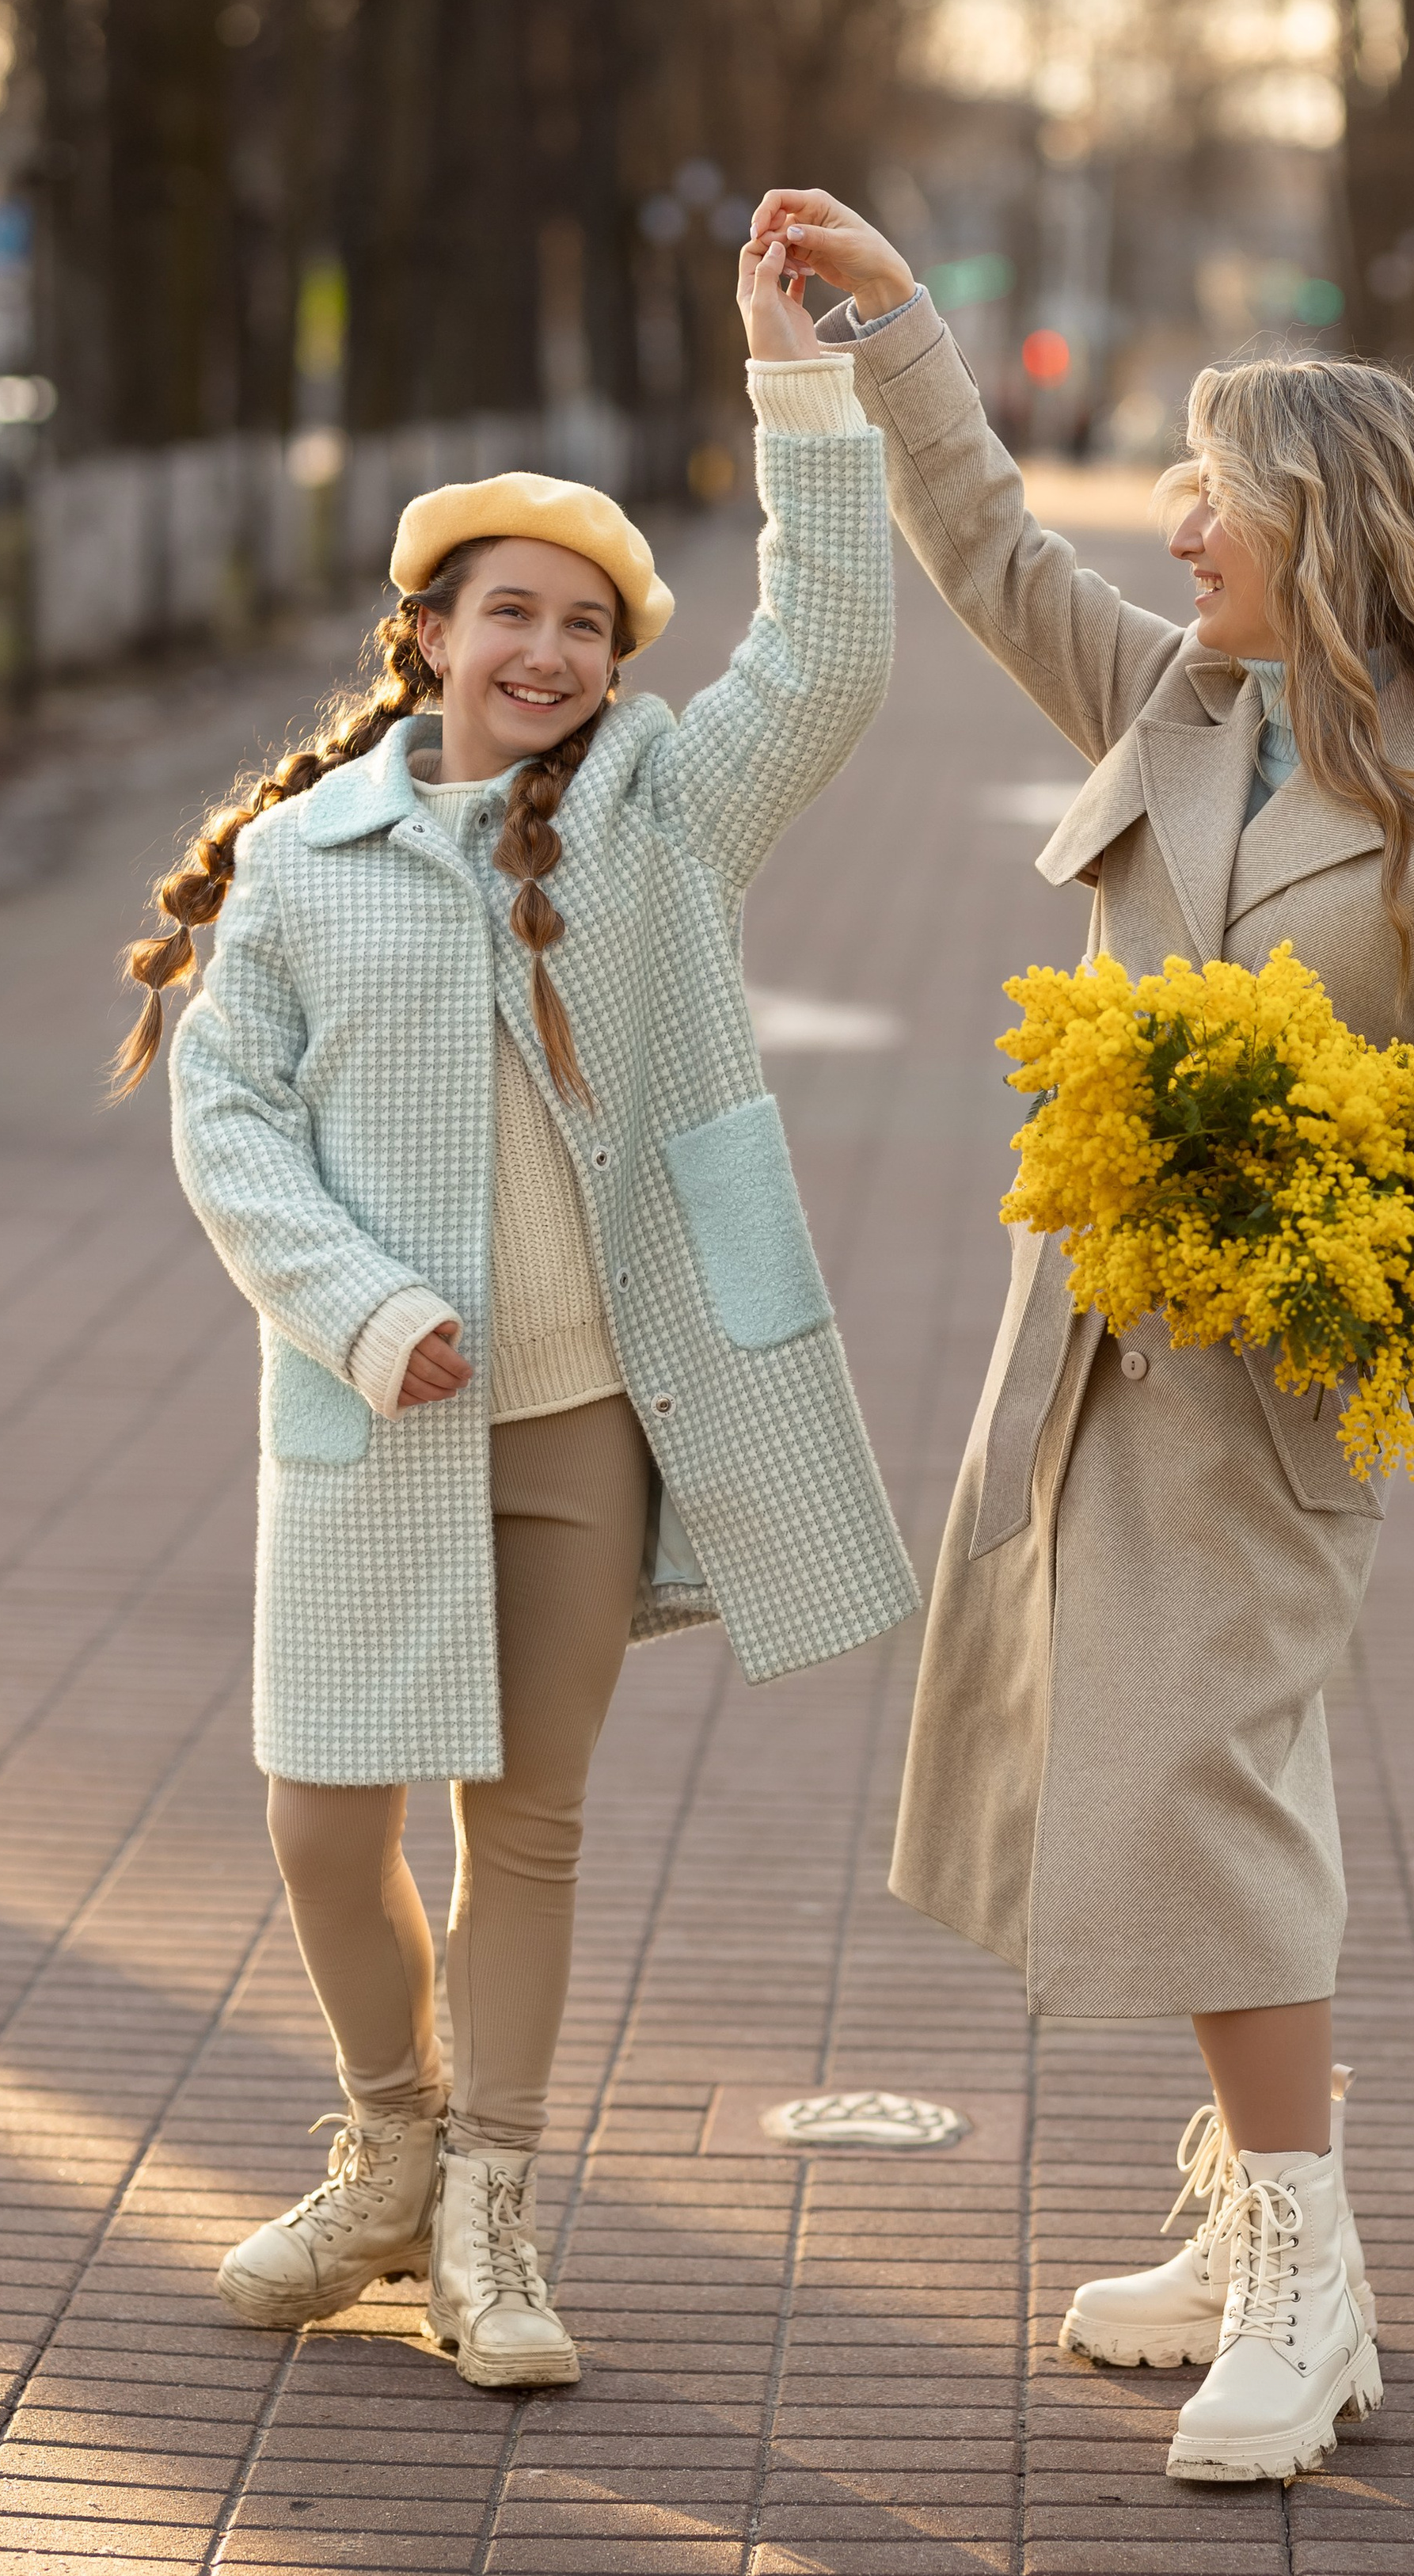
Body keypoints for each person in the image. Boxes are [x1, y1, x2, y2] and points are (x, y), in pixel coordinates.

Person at [748, 184, 1414, 2484]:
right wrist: (883, 331)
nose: (1171, 521)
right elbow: (978, 546)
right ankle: (1237, 2201)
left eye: (1211, 487)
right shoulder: (1173, 707)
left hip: (1284, 1372)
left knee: (1205, 1774)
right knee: (1165, 1766)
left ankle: (1311, 2271)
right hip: (1084, 1340)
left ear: (1324, 525)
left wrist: (1314, 1217)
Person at [110, 231, 917, 2390]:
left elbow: (830, 654)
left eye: (586, 625)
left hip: (583, 1413)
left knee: (525, 1819)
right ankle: (382, 2157)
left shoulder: (663, 813)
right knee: (320, 1808)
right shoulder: (309, 857)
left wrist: (799, 386)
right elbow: (230, 1117)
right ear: (429, 633)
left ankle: (490, 2208)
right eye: (510, 612)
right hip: (369, 1408)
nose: (544, 650)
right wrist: (363, 1310)